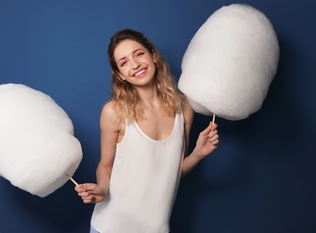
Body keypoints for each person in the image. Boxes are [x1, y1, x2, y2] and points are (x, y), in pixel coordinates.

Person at [75, 29, 219, 233]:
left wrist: (197, 154)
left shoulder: (184, 108)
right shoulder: (113, 112)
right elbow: (105, 165)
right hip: (109, 227)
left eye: (139, 54)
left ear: (153, 55)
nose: (135, 65)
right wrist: (103, 188)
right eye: (124, 62)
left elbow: (172, 172)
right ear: (120, 75)